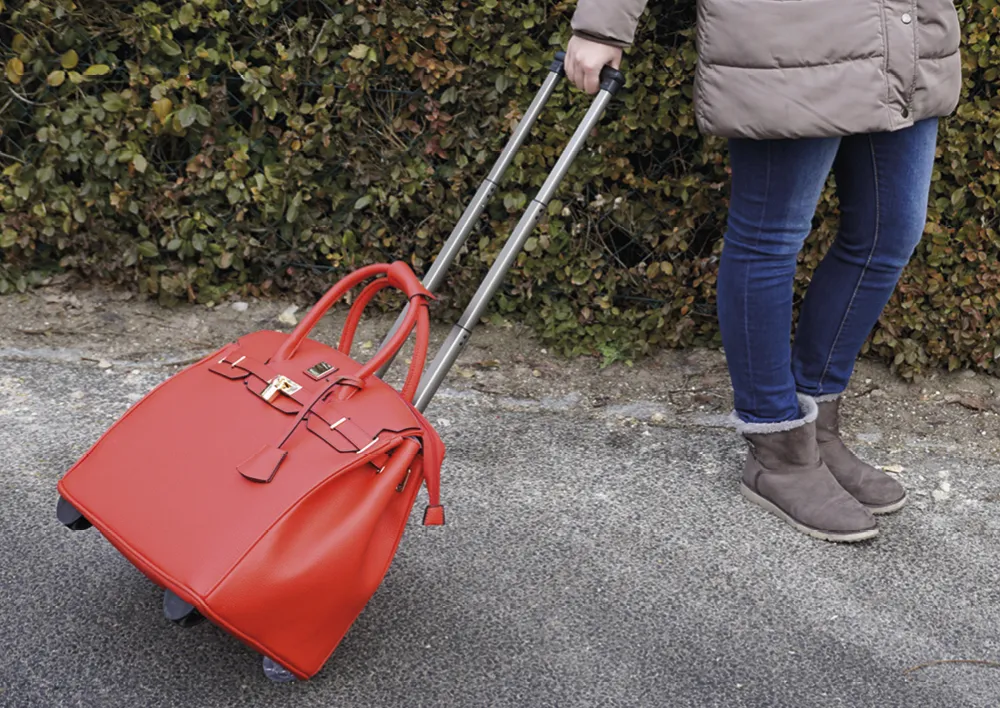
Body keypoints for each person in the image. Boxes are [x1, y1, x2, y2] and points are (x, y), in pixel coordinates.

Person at [564, 1, 962, 542]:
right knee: (770, 239)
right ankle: (778, 449)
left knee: (888, 234)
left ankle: (817, 427)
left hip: (902, 30)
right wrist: (601, 25)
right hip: (790, 35)